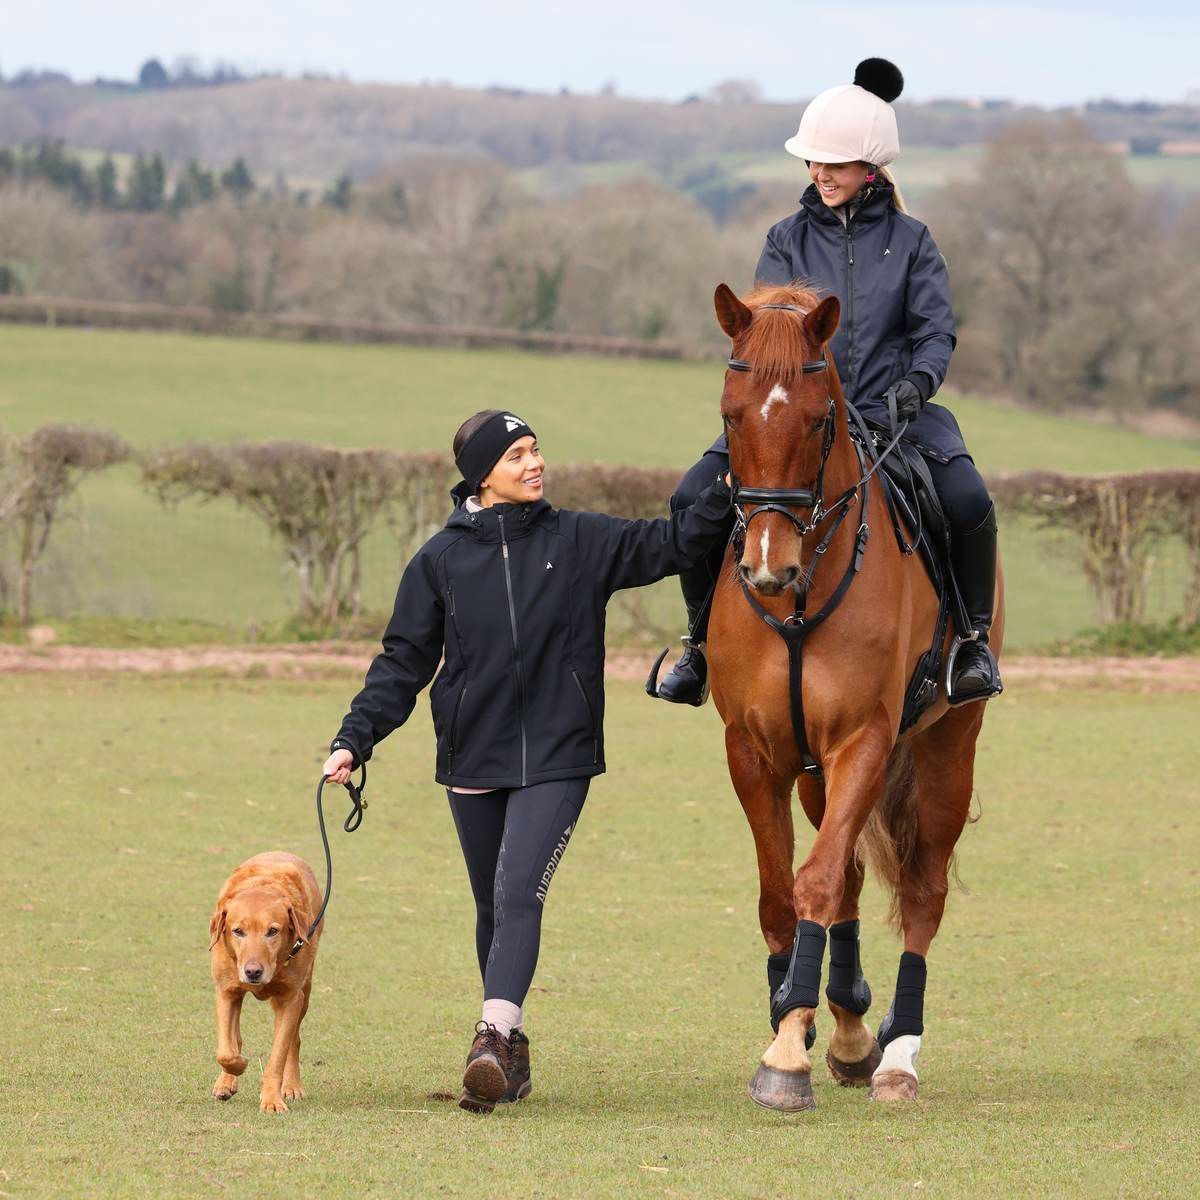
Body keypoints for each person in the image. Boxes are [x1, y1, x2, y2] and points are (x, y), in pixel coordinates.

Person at [322, 408, 731, 1113]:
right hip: (472, 755)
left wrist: (726, 486)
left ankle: (491, 1035)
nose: (535, 463)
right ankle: (510, 1059)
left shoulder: (580, 539)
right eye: (517, 456)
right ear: (482, 476)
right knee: (493, 904)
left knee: (518, 893)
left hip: (558, 751)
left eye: (536, 450)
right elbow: (402, 663)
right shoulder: (439, 562)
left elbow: (675, 544)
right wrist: (353, 740)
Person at [654, 57, 1003, 709]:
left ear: (870, 168)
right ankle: (698, 644)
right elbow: (765, 332)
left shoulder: (913, 241)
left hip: (894, 413)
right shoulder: (785, 239)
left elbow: (935, 332)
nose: (820, 173)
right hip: (796, 414)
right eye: (814, 161)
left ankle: (972, 642)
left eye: (835, 164)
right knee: (689, 496)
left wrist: (918, 383)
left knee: (968, 499)